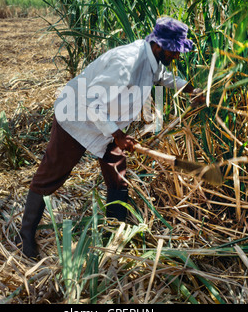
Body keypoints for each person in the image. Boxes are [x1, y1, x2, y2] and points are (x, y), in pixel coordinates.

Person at [15, 17, 205, 259]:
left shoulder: (152, 58)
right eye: (174, 50)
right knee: (50, 176)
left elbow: (162, 77)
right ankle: (26, 235)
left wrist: (191, 89)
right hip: (76, 119)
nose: (176, 56)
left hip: (106, 124)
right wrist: (117, 135)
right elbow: (90, 100)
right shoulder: (125, 64)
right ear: (158, 45)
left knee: (117, 175)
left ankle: (113, 232)